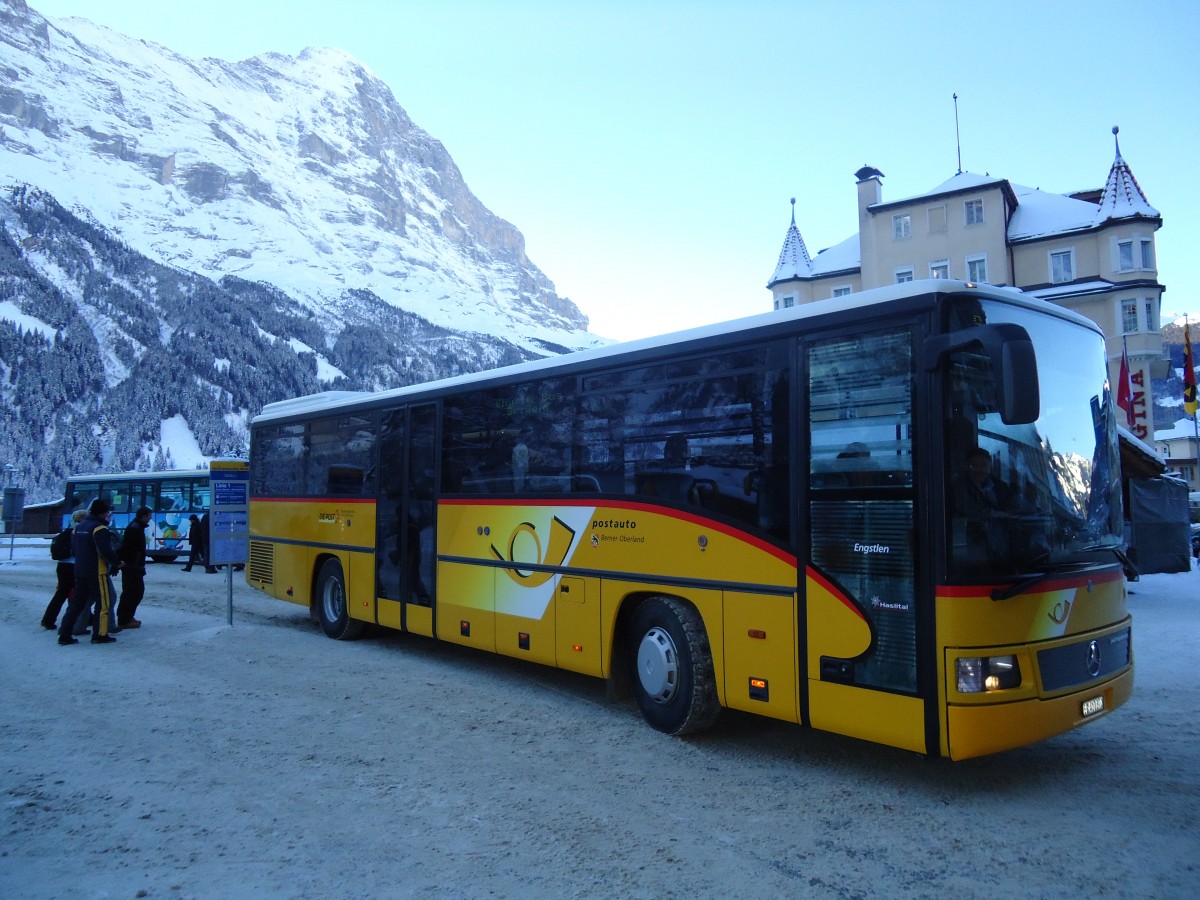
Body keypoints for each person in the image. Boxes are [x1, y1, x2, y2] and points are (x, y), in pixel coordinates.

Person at [58, 498, 122, 645]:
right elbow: (105, 551)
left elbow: (73, 550)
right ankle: (100, 634)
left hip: (80, 571)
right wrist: (117, 563)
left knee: (76, 604)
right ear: (103, 513)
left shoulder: (79, 527)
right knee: (104, 603)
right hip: (97, 572)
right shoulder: (100, 528)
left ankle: (65, 633)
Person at [953, 447, 1019, 558]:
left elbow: (1014, 506)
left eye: (983, 465)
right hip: (973, 548)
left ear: (990, 465)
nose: (979, 469)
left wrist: (1012, 511)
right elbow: (966, 508)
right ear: (967, 468)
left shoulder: (1001, 486)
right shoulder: (960, 487)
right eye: (973, 465)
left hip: (1004, 546)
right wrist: (992, 514)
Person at [41, 509, 87, 630]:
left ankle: (48, 619)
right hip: (72, 566)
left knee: (62, 593)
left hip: (62, 566)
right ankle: (75, 620)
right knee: (77, 594)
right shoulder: (79, 531)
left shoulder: (67, 531)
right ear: (81, 519)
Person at [117, 505, 151, 629]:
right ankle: (124, 619)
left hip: (134, 565)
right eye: (148, 516)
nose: (149, 519)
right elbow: (129, 549)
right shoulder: (134, 529)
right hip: (132, 566)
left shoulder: (137, 527)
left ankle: (127, 617)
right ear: (143, 516)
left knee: (134, 592)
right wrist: (135, 564)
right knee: (133, 592)